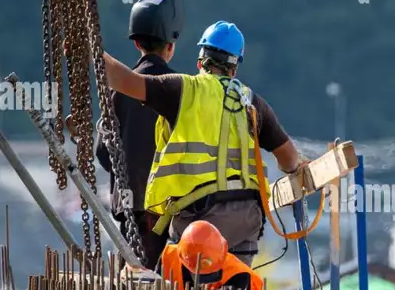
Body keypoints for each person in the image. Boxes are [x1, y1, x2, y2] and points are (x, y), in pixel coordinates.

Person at [101, 20, 308, 266]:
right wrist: (300, 167)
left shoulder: (182, 89)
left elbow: (125, 81)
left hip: (197, 219)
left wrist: (90, 50)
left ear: (200, 62)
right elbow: (289, 159)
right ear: (234, 69)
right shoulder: (253, 103)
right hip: (245, 217)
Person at [95, 0, 185, 269]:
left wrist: (130, 171)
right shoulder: (182, 91)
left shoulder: (119, 92)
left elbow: (102, 151)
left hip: (130, 210)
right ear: (170, 46)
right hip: (170, 213)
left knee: (131, 286)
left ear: (136, 43)